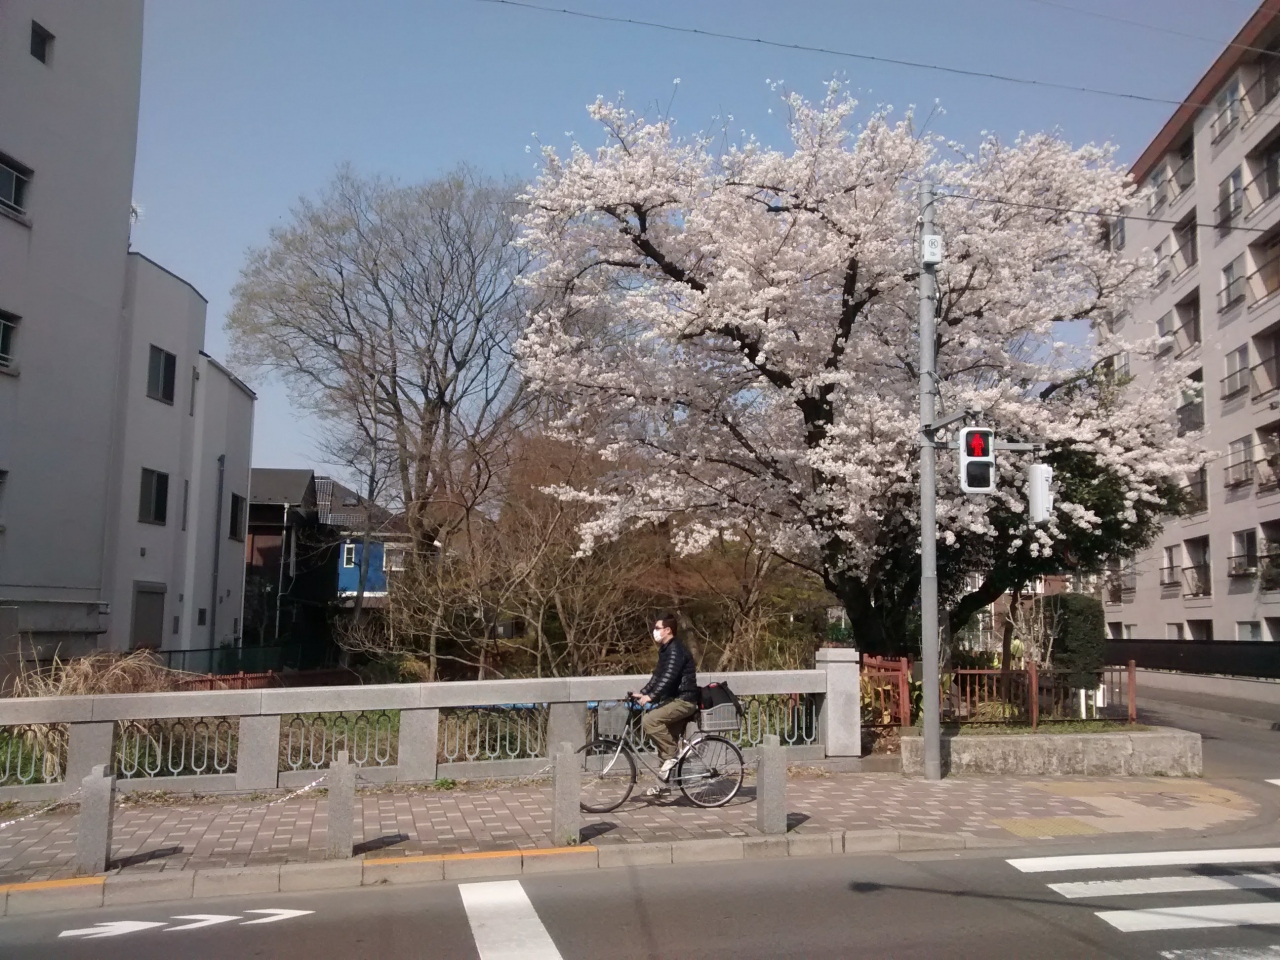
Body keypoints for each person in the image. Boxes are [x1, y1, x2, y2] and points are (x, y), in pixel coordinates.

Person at [635, 613, 698, 793]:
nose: (654, 631)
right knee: (664, 743)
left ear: (668, 630)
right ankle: (663, 787)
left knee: (650, 721)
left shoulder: (676, 650)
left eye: (657, 628)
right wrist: (643, 692)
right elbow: (657, 676)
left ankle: (673, 754)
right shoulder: (666, 650)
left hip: (684, 700)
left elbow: (669, 677)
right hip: (674, 699)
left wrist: (651, 696)